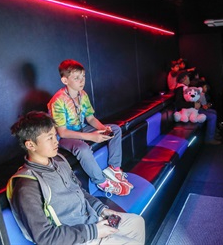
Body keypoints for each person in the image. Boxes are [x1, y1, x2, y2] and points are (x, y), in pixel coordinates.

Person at [8, 111, 145, 244]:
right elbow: (45, 237)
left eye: (55, 135)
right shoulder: (27, 186)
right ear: (30, 145)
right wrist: (94, 231)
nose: (56, 141)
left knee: (137, 222)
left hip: (91, 221)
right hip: (75, 238)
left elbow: (79, 191)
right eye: (49, 138)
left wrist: (102, 210)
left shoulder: (59, 161)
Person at [48, 59, 132, 196]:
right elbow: (62, 132)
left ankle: (114, 168)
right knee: (82, 148)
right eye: (76, 78)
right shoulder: (58, 101)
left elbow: (91, 118)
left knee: (115, 129)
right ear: (65, 81)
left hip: (82, 128)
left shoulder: (83, 94)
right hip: (64, 136)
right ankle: (101, 182)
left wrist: (104, 129)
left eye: (83, 77)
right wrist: (91, 136)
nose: (81, 81)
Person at [174, 71, 221, 145]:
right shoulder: (181, 89)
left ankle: (213, 134)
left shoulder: (183, 87)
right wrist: (193, 104)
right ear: (185, 78)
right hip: (188, 113)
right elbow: (179, 103)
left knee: (213, 112)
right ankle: (209, 138)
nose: (189, 79)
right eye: (188, 77)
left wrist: (197, 103)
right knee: (213, 116)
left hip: (192, 110)